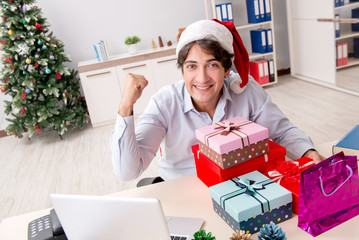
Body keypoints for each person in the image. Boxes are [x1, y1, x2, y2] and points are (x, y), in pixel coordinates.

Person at [110, 19, 324, 185]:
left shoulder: (245, 89)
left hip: (242, 184)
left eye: (211, 65)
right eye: (192, 66)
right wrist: (125, 106)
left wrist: (307, 153)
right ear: (182, 70)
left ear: (227, 69)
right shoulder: (164, 103)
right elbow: (128, 171)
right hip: (184, 189)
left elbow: (281, 132)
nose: (202, 79)